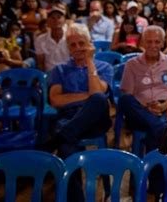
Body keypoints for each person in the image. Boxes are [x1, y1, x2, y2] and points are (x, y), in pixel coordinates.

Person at [45, 24, 113, 201]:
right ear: (68, 48)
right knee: (67, 147)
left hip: (96, 120)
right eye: (73, 45)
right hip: (68, 118)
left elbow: (97, 94)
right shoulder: (59, 70)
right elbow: (55, 100)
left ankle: (58, 137)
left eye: (81, 43)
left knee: (98, 100)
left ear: (90, 44)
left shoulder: (104, 67)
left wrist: (90, 62)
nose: (78, 49)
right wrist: (86, 96)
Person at [117, 25, 167, 196]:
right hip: (140, 110)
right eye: (149, 41)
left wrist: (164, 105)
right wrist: (147, 107)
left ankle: (151, 184)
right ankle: (166, 185)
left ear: (162, 43)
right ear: (143, 42)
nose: (153, 45)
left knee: (156, 129)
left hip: (164, 108)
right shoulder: (131, 64)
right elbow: (127, 94)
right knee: (125, 101)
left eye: (157, 42)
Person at [35, 5, 70, 72]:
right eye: (52, 18)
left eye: (59, 17)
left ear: (64, 20)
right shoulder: (40, 39)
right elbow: (41, 63)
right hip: (51, 74)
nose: (56, 20)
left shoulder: (71, 36)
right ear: (48, 21)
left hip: (69, 72)